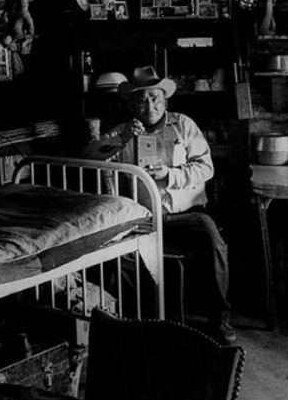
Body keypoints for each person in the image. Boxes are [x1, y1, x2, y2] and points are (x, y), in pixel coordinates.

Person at [83, 66, 237, 344]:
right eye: (141, 100)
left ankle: (220, 320)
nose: (149, 105)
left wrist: (171, 175)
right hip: (142, 219)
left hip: (184, 215)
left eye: (155, 98)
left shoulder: (183, 125)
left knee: (213, 241)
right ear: (131, 105)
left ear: (164, 101)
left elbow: (206, 167)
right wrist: (122, 140)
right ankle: (146, 323)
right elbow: (90, 156)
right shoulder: (123, 131)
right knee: (119, 256)